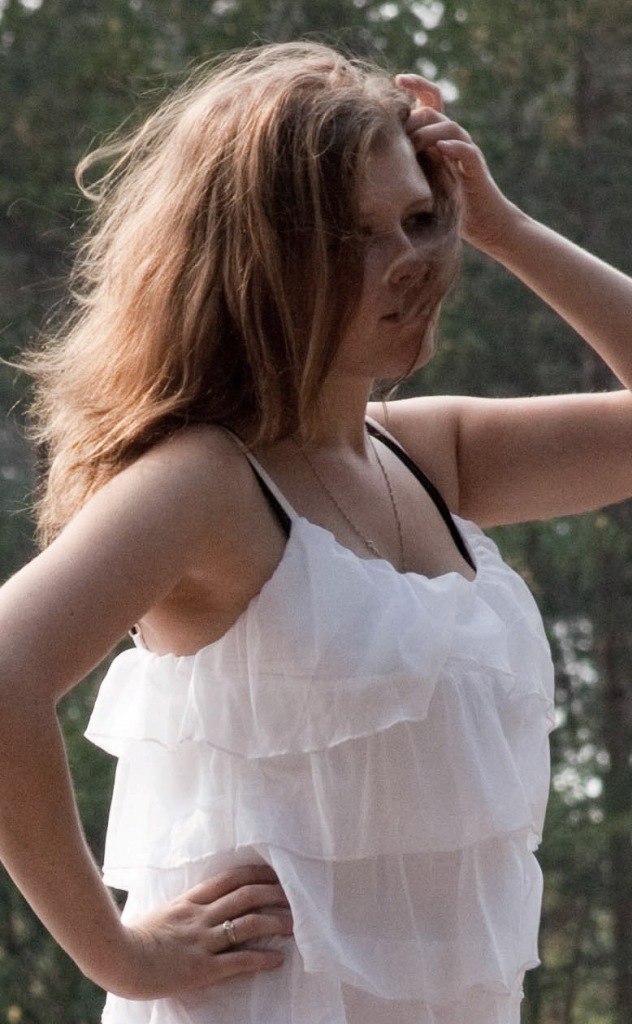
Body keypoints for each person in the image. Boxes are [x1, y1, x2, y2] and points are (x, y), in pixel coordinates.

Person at [1, 38, 632, 1024]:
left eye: (418, 220)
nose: (407, 263)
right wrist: (121, 955)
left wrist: (502, 227)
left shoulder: (428, 457)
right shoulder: (205, 482)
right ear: (255, 258)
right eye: (351, 238)